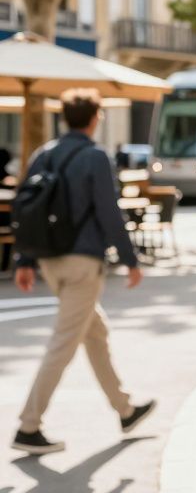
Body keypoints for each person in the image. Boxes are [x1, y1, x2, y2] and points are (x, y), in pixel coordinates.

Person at [11, 88, 156, 455]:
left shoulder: (44, 154)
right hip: (82, 262)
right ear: (95, 118)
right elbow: (110, 213)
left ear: (64, 118)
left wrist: (24, 261)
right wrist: (131, 259)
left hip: (49, 260)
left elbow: (27, 209)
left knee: (95, 333)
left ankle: (125, 409)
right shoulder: (95, 156)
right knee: (63, 343)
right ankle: (29, 427)